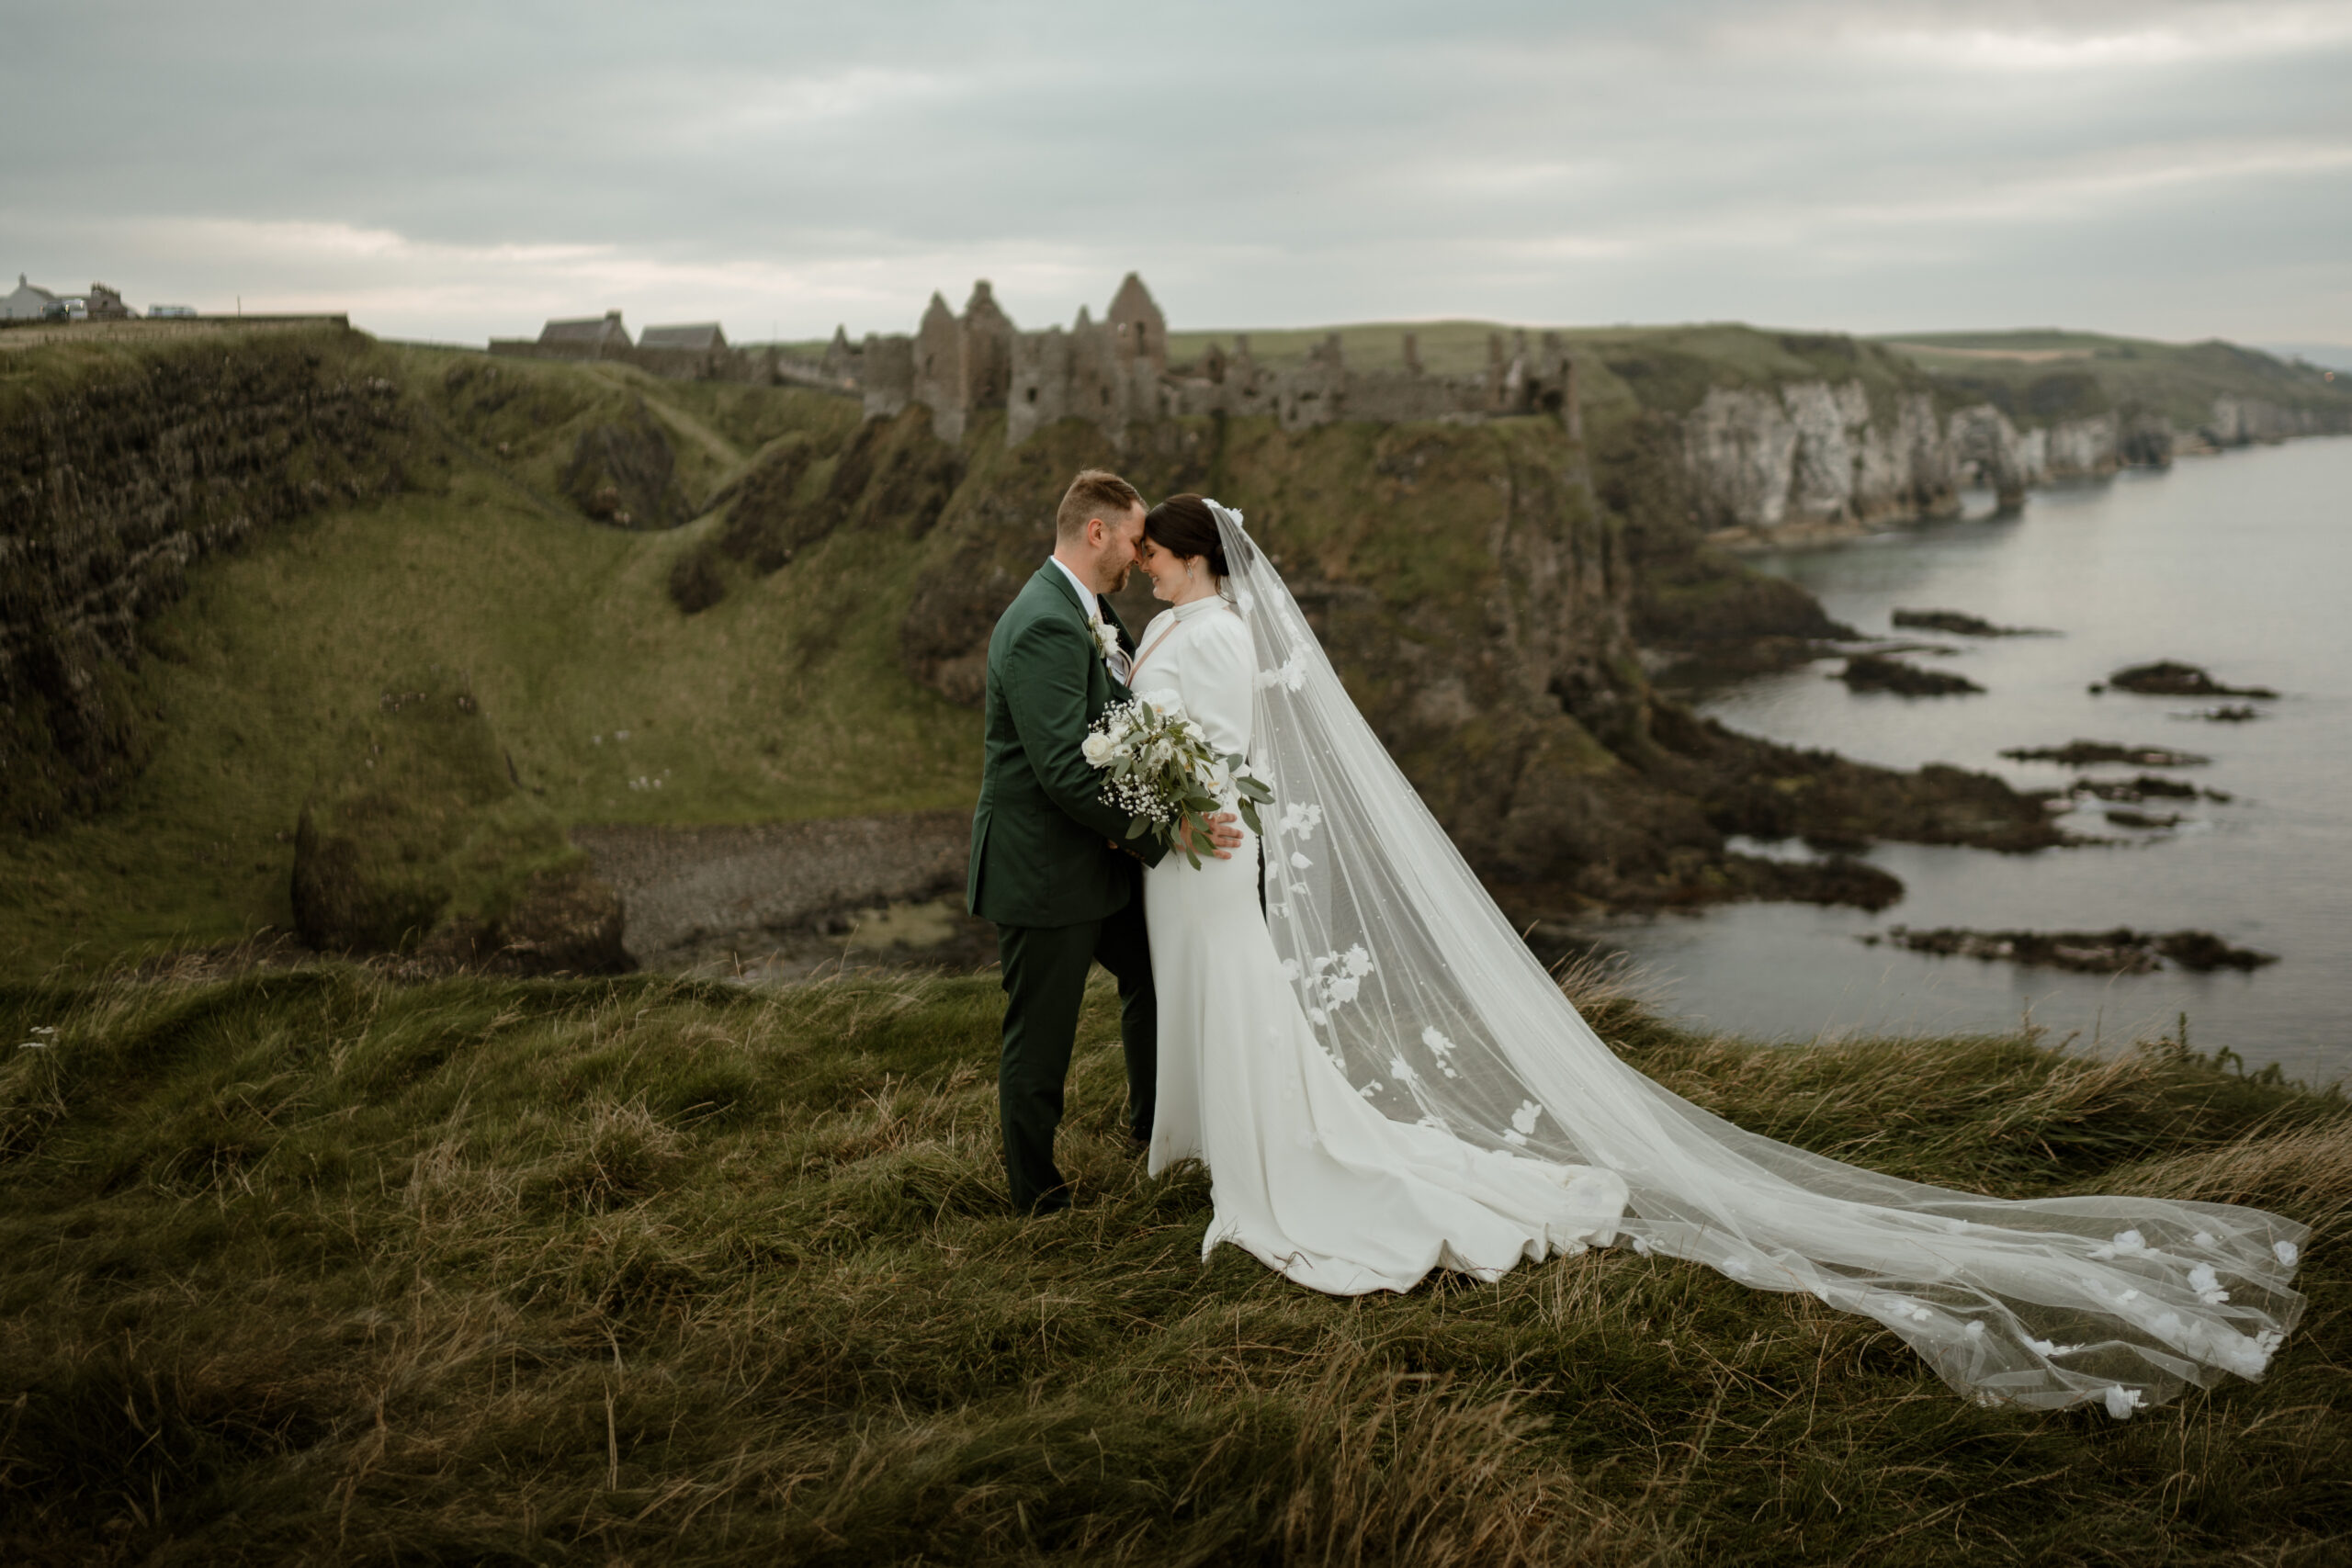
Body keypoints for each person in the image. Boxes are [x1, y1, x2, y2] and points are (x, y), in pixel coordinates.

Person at [1126, 491, 2306, 1416]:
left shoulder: (1206, 636)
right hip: (1217, 849)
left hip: (1213, 850)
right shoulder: (1212, 627)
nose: (1144, 570)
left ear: (1190, 558)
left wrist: (1157, 776)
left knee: (1246, 1001)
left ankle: (1267, 1154)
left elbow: (1209, 746)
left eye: (1153, 556)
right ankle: (1234, 1133)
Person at [967, 470, 1240, 1215]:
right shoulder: (1045, 622)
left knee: (1150, 976)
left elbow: (1121, 726)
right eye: (1133, 538)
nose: (1140, 551)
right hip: (1044, 867)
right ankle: (1036, 1195)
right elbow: (1060, 767)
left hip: (1097, 856)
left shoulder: (1093, 611)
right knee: (1040, 1036)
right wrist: (1168, 825)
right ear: (1097, 533)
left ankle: (1151, 1126)